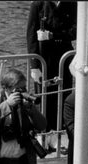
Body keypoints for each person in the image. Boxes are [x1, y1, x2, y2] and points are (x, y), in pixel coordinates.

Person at [26, 1, 76, 134]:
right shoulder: (38, 4)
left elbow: (76, 31)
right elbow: (31, 36)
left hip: (64, 58)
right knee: (44, 98)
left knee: (63, 95)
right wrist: (34, 66)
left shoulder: (72, 4)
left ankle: (60, 133)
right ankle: (44, 134)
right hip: (44, 57)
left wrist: (53, 35)